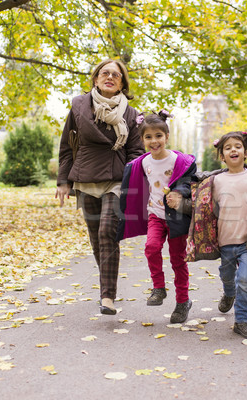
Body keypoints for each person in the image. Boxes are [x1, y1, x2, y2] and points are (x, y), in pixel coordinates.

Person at [56, 59, 145, 316]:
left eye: (116, 75)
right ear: (95, 79)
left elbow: (136, 153)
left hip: (116, 180)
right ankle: (107, 285)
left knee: (107, 231)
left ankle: (107, 296)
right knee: (96, 238)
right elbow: (66, 146)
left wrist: (131, 186)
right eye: (105, 73)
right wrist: (64, 181)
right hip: (85, 178)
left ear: (121, 84)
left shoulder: (131, 114)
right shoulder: (78, 106)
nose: (110, 77)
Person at [183, 131, 247, 340]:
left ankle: (241, 321)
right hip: (224, 242)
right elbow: (200, 206)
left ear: (246, 152)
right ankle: (229, 293)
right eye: (228, 147)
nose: (233, 149)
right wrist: (179, 203)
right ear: (222, 156)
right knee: (227, 275)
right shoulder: (215, 181)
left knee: (245, 279)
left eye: (238, 146)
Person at [117, 110, 196, 323]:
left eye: (158, 136)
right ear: (142, 139)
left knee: (177, 260)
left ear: (167, 137)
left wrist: (180, 193)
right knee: (151, 247)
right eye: (148, 137)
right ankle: (159, 287)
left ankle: (183, 302)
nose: (154, 141)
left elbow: (189, 182)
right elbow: (137, 183)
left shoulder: (179, 160)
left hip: (176, 217)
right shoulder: (142, 163)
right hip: (156, 215)